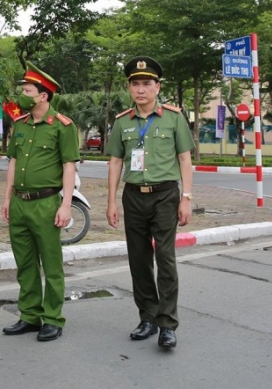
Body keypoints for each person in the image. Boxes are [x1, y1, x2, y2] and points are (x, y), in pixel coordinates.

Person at [105, 56, 194, 349]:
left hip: (166, 195)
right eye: (135, 84)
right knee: (139, 260)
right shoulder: (122, 122)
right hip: (133, 196)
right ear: (129, 88)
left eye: (146, 83)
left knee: (165, 259)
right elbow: (116, 162)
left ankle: (167, 323)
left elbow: (184, 158)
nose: (140, 89)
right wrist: (111, 202)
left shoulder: (174, 117)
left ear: (157, 87)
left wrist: (187, 197)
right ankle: (147, 317)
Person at [0, 62, 80, 342]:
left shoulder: (63, 126)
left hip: (46, 203)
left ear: (43, 95)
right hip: (20, 203)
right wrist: (7, 197)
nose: (22, 94)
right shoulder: (20, 125)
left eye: (27, 90)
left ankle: (53, 318)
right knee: (25, 263)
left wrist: (66, 204)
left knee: (51, 263)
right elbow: (13, 162)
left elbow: (70, 165)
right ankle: (30, 315)